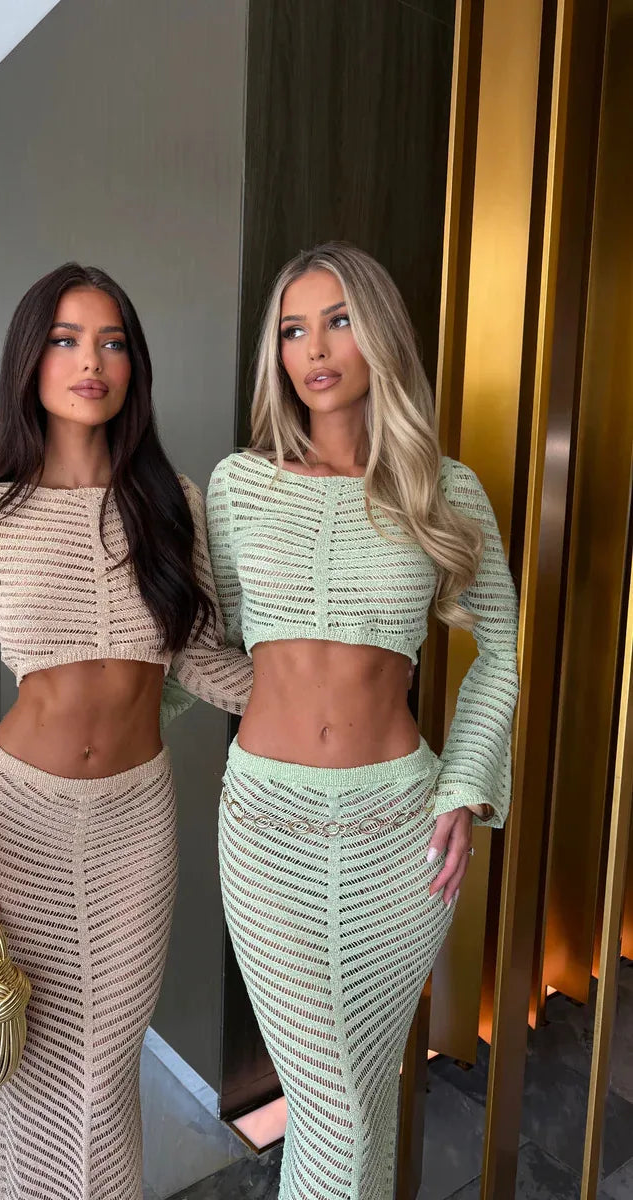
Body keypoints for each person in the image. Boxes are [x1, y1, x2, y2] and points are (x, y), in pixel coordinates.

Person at [0, 263, 252, 1200]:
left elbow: (199, 657)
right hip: (14, 821)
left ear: (134, 365)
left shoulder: (170, 503)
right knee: (25, 1062)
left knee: (107, 1067)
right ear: (30, 359)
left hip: (135, 825)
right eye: (65, 339)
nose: (89, 361)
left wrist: (311, 697)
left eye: (111, 342)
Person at [207, 242, 519, 1200]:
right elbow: (203, 647)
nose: (316, 347)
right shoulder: (236, 486)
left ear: (379, 332)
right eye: (294, 329)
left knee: (359, 1096)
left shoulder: (443, 488)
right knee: (337, 1104)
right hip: (266, 834)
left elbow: (499, 657)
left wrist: (464, 788)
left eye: (339, 319)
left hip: (401, 837)